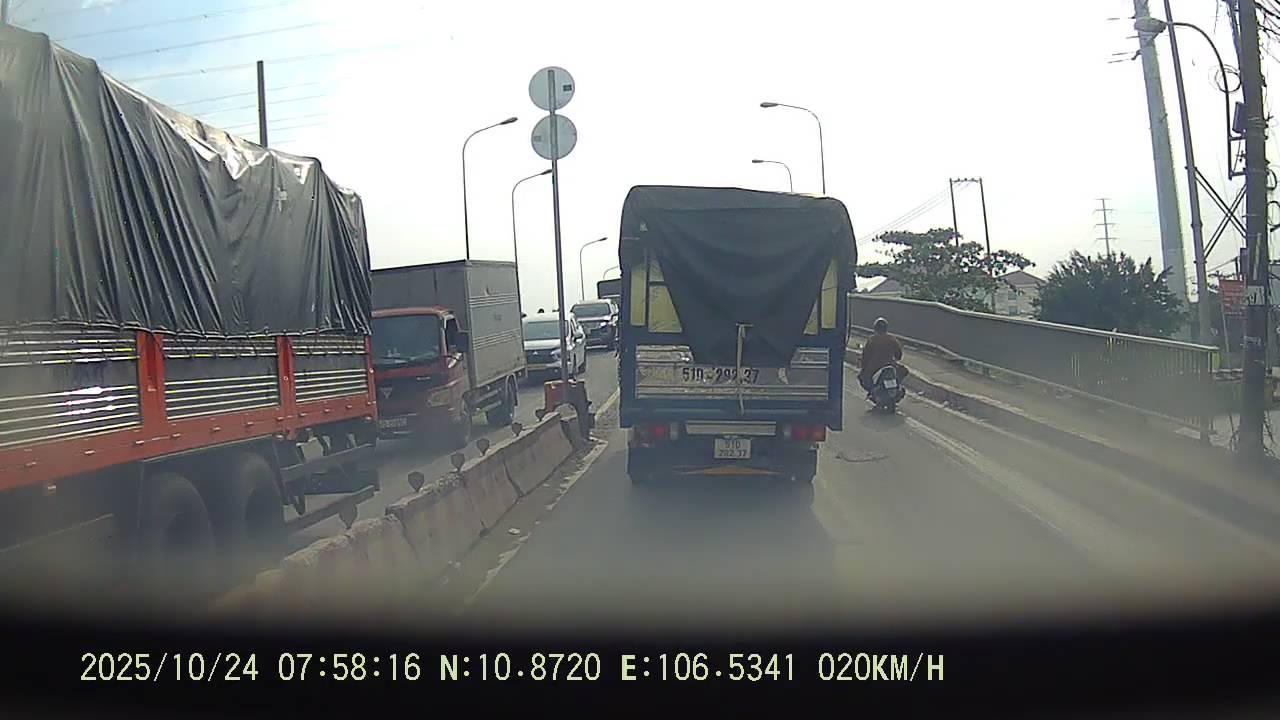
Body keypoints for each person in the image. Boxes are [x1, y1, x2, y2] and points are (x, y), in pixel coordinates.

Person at [858, 317, 909, 396]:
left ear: (875, 328)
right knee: (904, 371)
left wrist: (863, 369)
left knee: (863, 378)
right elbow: (899, 355)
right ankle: (896, 386)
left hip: (874, 368)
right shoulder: (892, 339)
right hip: (891, 365)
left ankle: (872, 392)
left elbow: (865, 357)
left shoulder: (872, 340)